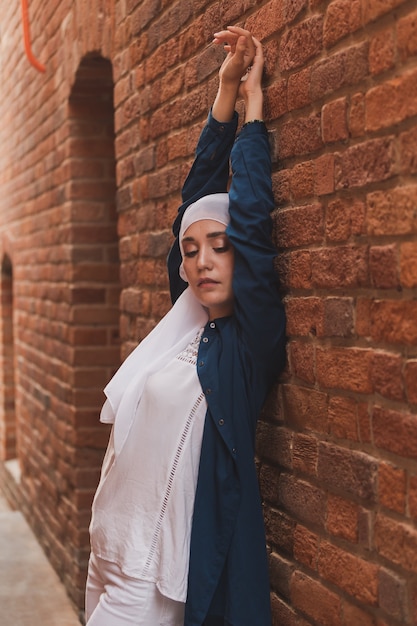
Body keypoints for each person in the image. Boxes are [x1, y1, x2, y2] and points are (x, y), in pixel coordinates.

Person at [85, 26, 286, 626]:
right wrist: (223, 92)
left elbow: (248, 221)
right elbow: (195, 199)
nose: (200, 260)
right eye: (190, 250)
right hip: (108, 548)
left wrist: (254, 116)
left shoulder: (247, 346)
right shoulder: (185, 318)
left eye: (217, 247)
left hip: (155, 576)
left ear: (241, 258)